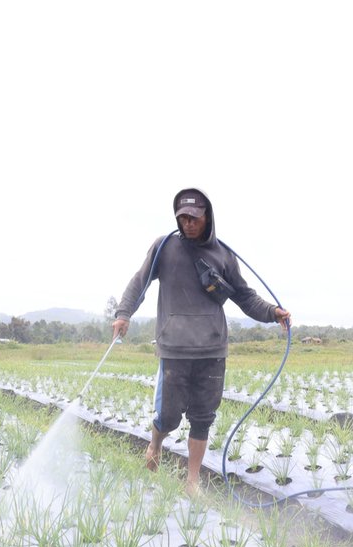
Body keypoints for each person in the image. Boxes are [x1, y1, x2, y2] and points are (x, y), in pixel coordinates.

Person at [112, 187, 291, 495]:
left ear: (207, 216)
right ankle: (155, 443)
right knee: (167, 416)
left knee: (203, 417)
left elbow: (245, 296)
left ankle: (192, 481)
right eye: (183, 218)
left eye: (194, 217)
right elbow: (139, 281)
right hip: (175, 349)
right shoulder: (164, 247)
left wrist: (273, 312)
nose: (189, 224)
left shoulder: (223, 254)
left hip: (212, 349)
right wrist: (123, 313)